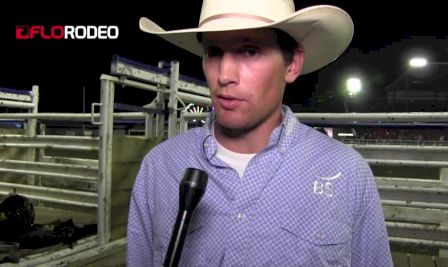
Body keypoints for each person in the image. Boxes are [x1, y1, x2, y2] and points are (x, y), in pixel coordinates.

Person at [127, 0, 393, 266]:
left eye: (250, 51)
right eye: (213, 52)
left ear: (292, 64)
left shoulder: (346, 172)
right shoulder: (159, 167)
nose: (224, 75)